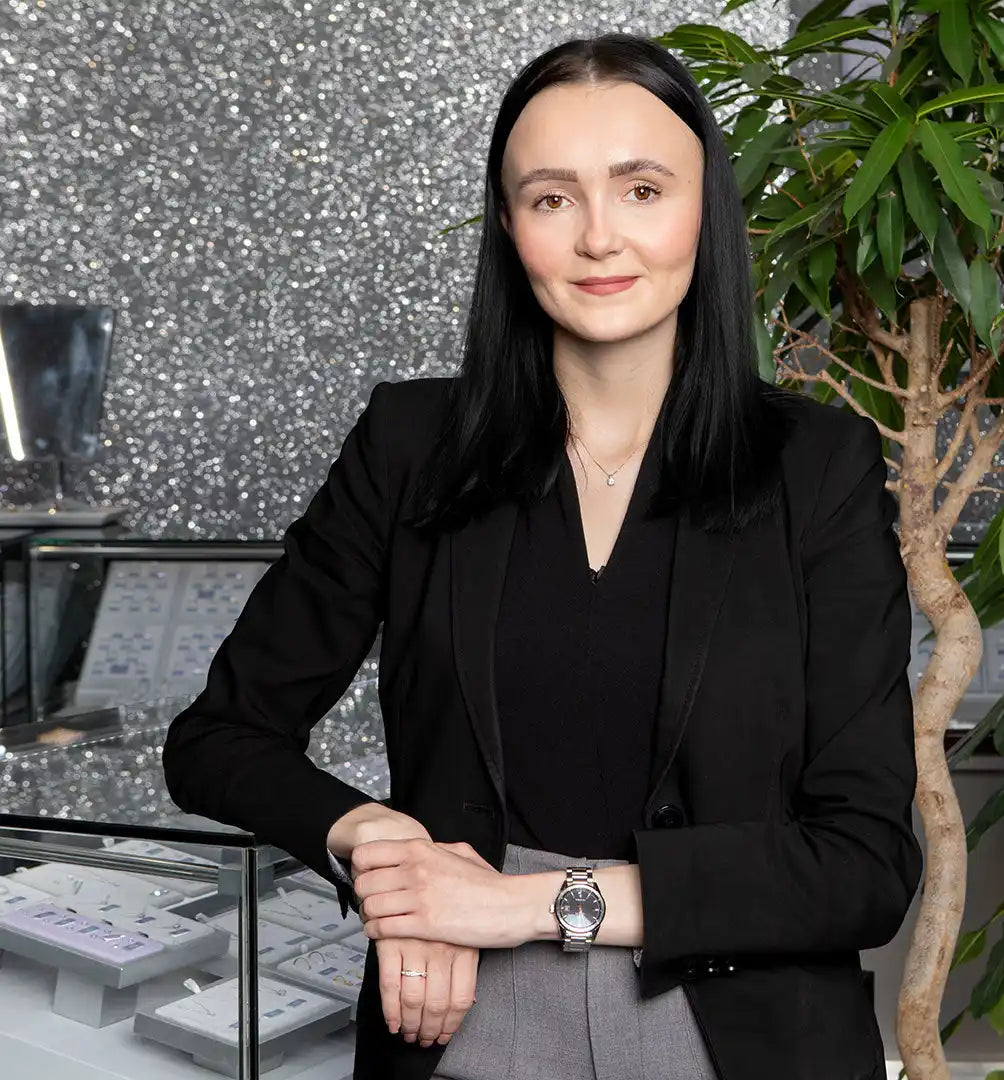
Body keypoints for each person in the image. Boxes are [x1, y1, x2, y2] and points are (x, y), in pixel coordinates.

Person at [161, 31, 923, 1080]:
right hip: (461, 1034)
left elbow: (868, 864)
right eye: (553, 199)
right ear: (510, 227)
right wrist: (387, 851)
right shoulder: (408, 446)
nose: (601, 238)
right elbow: (216, 739)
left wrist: (519, 905)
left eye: (643, 189)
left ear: (707, 210)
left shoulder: (818, 467)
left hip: (740, 1039)